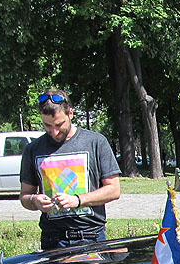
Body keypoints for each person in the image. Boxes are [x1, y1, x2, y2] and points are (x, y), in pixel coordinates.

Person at [20, 89, 121, 250]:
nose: (54, 131)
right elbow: (25, 195)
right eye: (47, 125)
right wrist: (34, 201)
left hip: (91, 237)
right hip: (52, 240)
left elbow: (114, 190)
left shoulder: (96, 142)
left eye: (59, 124)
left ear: (71, 113)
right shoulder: (33, 149)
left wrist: (78, 200)